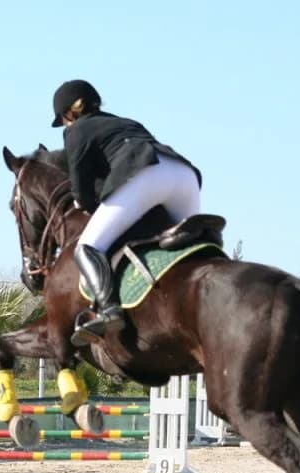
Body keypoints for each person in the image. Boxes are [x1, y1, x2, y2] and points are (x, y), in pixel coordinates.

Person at [52, 79, 204, 345]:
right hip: (184, 175)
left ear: (69, 113)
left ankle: (108, 309)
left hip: (146, 176)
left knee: (87, 247)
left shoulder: (76, 130)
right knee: (189, 252)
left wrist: (82, 203)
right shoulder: (123, 121)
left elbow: (80, 189)